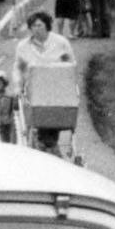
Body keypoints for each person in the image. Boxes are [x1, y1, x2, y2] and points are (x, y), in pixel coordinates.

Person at [12, 10, 76, 153]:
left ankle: (47, 143)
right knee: (36, 119)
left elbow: (71, 65)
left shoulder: (61, 42)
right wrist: (17, 86)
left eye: (39, 25)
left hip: (56, 89)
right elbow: (18, 68)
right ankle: (44, 143)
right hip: (33, 89)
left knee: (51, 120)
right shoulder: (23, 46)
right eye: (33, 26)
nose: (36, 29)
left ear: (47, 26)